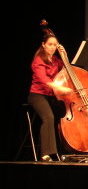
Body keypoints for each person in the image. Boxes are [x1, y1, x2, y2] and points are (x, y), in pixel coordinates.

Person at [28, 32, 72, 162]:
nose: (52, 47)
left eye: (55, 45)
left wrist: (65, 56)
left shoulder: (56, 61)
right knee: (48, 117)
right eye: (50, 44)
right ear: (43, 45)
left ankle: (68, 149)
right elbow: (44, 80)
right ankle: (46, 153)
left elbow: (67, 70)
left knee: (62, 116)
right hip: (37, 95)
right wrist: (61, 88)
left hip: (52, 96)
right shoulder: (38, 61)